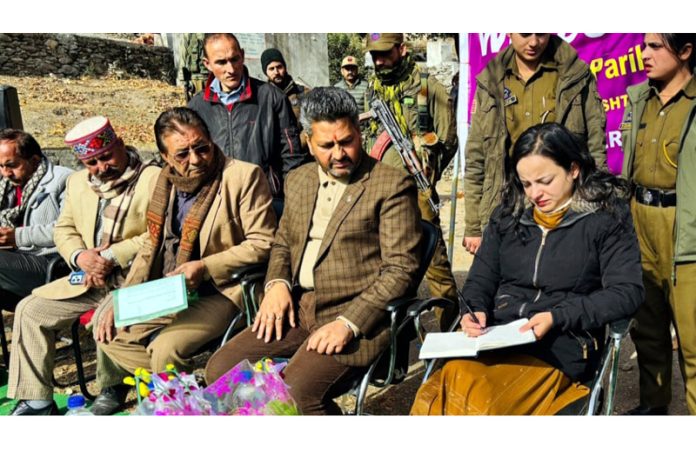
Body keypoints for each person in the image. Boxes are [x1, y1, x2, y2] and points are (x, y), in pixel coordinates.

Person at [204, 87, 422, 415]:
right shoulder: (299, 179)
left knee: (293, 394)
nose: (339, 154)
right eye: (327, 145)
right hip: (298, 308)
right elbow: (282, 243)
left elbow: (400, 269)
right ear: (307, 141)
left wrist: (349, 323)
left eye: (347, 141)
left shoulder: (390, 185)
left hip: (356, 314)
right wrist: (276, 284)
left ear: (359, 132)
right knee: (220, 372)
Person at [411, 123, 643, 415]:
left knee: (481, 406)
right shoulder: (509, 214)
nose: (535, 193)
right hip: (496, 338)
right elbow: (482, 276)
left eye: (545, 181)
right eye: (526, 183)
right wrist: (475, 308)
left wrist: (558, 316)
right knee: (435, 397)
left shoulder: (606, 218)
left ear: (573, 169)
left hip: (560, 347)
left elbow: (627, 292)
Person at [94, 107, 276, 411]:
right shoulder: (162, 184)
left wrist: (205, 267)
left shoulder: (242, 176)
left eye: (201, 147)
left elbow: (263, 242)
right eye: (182, 154)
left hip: (222, 290)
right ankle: (186, 392)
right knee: (107, 331)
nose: (195, 159)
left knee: (166, 347)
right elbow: (151, 246)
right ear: (165, 157)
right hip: (169, 287)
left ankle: (177, 403)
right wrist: (120, 298)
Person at [7, 116, 160, 415]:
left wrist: (111, 256)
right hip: (90, 276)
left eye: (106, 157)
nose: (101, 168)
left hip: (139, 277)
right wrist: (80, 257)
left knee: (105, 315)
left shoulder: (152, 177)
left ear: (119, 144)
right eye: (91, 162)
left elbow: (157, 234)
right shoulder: (78, 182)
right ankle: (37, 401)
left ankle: (113, 386)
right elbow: (63, 230)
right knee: (30, 309)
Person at [463, 33, 607, 256]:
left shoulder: (575, 76)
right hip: (505, 210)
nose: (533, 42)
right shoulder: (490, 81)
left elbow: (595, 150)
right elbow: (476, 159)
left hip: (563, 212)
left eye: (541, 33)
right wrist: (473, 226)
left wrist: (596, 209)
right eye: (525, 32)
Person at [621, 33, 696, 416]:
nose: (644, 54)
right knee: (647, 332)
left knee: (694, 342)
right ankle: (654, 410)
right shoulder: (639, 98)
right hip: (640, 225)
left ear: (685, 51)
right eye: (644, 44)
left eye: (655, 46)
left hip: (686, 231)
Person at [363, 32, 458, 329]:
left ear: (402, 50)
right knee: (386, 270)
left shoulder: (428, 86)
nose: (379, 61)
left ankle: (450, 335)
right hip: (378, 191)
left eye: (385, 53)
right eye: (374, 55)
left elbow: (448, 139)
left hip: (417, 189)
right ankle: (395, 345)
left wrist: (428, 172)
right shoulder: (374, 88)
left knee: (435, 267)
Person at [188, 33, 305, 197]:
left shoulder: (271, 97)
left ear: (242, 56)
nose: (230, 69)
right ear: (207, 64)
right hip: (217, 199)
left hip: (264, 197)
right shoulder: (197, 106)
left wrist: (290, 194)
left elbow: (292, 153)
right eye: (221, 62)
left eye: (234, 59)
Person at [0, 129, 72, 312]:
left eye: (12, 165)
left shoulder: (64, 180)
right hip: (15, 259)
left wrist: (18, 237)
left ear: (34, 160)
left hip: (51, 263)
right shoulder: (6, 185)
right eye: (1, 166)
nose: (6, 173)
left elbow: (70, 229)